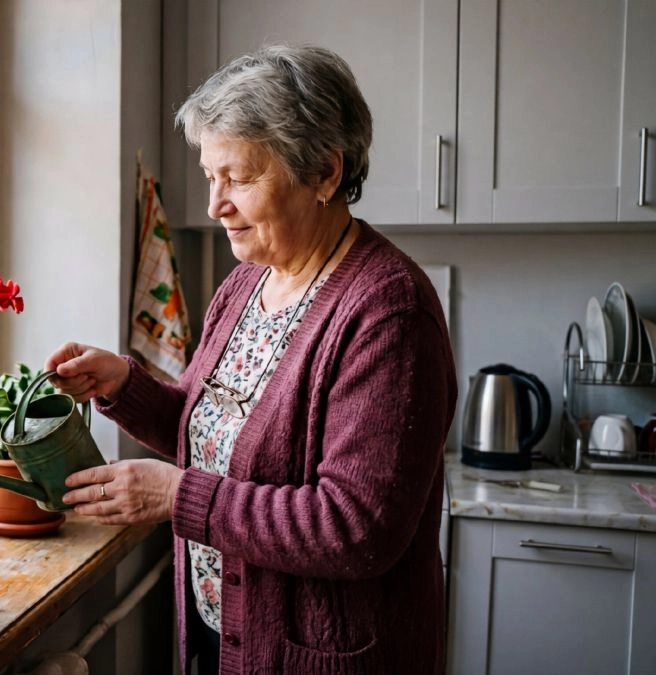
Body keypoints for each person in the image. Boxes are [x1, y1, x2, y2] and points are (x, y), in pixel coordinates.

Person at [46, 45, 456, 675]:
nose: (215, 205)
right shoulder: (247, 282)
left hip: (321, 658)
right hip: (221, 627)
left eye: (237, 177)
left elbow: (354, 528)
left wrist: (179, 497)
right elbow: (219, 433)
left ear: (323, 172)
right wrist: (126, 385)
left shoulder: (389, 312)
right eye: (211, 176)